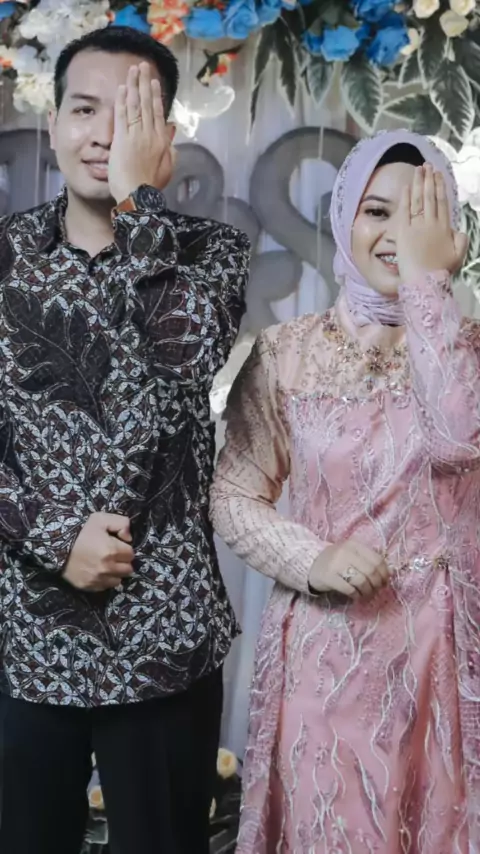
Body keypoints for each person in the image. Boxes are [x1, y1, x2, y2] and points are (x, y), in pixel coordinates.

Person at [0, 24, 249, 854]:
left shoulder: (212, 253)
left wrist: (140, 203)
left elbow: (185, 355)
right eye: (84, 109)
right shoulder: (3, 258)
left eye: (130, 113)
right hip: (24, 635)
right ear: (53, 123)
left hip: (165, 641)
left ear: (164, 137)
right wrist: (52, 538)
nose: (103, 133)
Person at [211, 129, 480, 853]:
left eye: (418, 215)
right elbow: (233, 494)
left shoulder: (472, 352)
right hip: (328, 657)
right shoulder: (285, 352)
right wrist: (313, 557)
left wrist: (428, 290)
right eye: (376, 212)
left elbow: (458, 441)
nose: (397, 236)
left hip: (444, 656)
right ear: (343, 219)